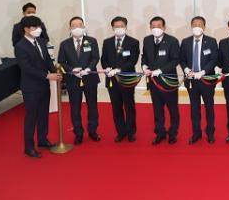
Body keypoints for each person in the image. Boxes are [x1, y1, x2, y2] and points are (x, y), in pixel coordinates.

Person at [14, 15, 59, 158]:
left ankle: (43, 140)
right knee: (31, 117)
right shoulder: (20, 46)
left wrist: (55, 71)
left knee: (43, 114)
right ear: (26, 29)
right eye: (35, 27)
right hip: (31, 88)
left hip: (44, 86)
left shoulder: (41, 41)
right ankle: (29, 147)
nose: (38, 29)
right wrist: (47, 76)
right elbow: (27, 68)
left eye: (39, 27)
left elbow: (47, 60)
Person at [57, 16, 100, 145]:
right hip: (73, 80)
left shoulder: (91, 41)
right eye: (74, 26)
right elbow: (61, 61)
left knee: (92, 106)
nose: (77, 28)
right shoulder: (65, 44)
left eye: (79, 25)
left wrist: (88, 68)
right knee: (75, 108)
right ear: (70, 28)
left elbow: (95, 57)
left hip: (90, 78)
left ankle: (93, 131)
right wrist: (72, 69)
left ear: (84, 27)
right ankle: (78, 133)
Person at [179, 16, 219, 144]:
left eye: (200, 24)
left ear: (204, 27)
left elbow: (214, 59)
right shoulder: (185, 42)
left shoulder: (211, 41)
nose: (197, 27)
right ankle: (196, 133)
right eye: (194, 24)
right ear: (191, 26)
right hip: (191, 81)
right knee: (194, 108)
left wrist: (203, 72)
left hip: (206, 80)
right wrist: (186, 69)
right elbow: (182, 59)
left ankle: (210, 133)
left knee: (209, 107)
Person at [141, 16, 181, 145]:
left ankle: (173, 133)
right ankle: (160, 133)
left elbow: (175, 60)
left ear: (164, 27)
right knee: (157, 110)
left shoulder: (172, 41)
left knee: (173, 110)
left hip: (168, 82)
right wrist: (144, 66)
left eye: (159, 26)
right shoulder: (147, 40)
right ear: (150, 27)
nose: (156, 28)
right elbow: (144, 56)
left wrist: (161, 70)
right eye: (153, 26)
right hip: (153, 82)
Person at [101, 16, 140, 142]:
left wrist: (119, 69)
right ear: (112, 27)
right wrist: (107, 67)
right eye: (116, 26)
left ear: (126, 27)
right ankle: (121, 131)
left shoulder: (133, 42)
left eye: (121, 26)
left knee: (129, 106)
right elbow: (103, 59)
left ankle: (131, 132)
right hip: (112, 80)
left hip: (127, 79)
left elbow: (132, 60)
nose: (119, 28)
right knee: (116, 107)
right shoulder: (107, 42)